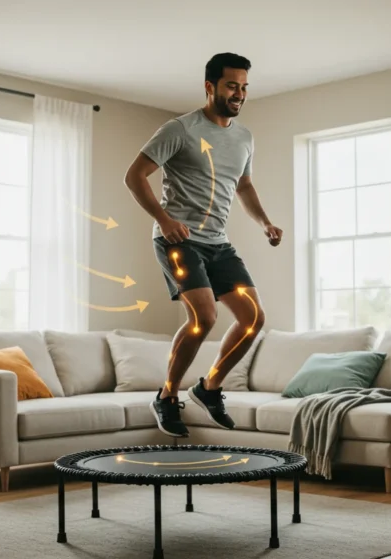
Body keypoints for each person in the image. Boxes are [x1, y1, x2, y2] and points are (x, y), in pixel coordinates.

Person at [124, 52, 281, 438]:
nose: (239, 94)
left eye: (244, 87)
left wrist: (265, 222)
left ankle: (209, 388)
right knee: (205, 317)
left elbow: (243, 185)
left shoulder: (245, 137)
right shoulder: (179, 129)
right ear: (210, 86)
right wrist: (164, 219)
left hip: (218, 244)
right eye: (232, 85)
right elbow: (135, 176)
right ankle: (167, 395)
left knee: (253, 319)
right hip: (178, 240)